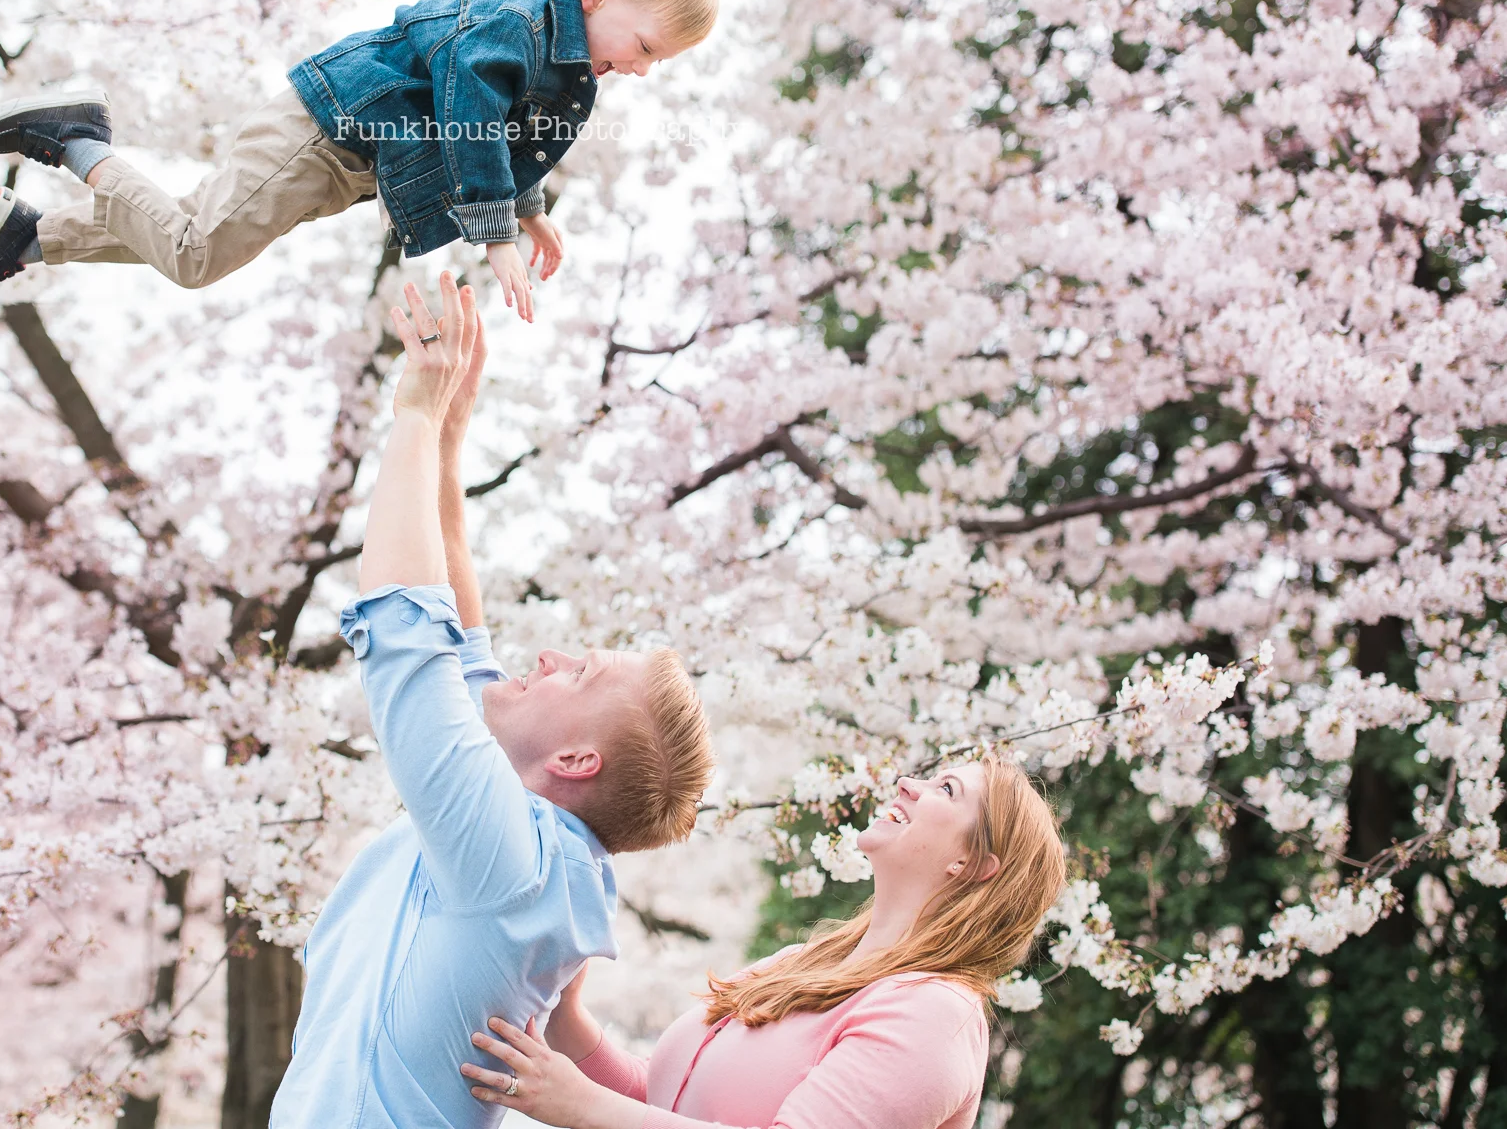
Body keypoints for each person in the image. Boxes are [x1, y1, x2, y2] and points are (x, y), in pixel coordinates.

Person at [268, 271, 716, 1129]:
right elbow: (463, 646)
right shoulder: (530, 846)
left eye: (576, 673)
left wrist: (414, 409)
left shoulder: (514, 861)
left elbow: (409, 631)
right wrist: (446, 440)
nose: (546, 654)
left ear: (576, 761)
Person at [0, 0, 718, 321]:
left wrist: (526, 206)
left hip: (343, 162)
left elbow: (518, 138)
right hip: (322, 132)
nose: (643, 69)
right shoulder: (515, 22)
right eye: (646, 45)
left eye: (658, 62)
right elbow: (473, 111)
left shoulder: (564, 64)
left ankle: (30, 238)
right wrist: (497, 232)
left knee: (189, 227)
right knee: (196, 254)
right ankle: (77, 139)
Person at [458, 756, 1067, 1129]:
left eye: (948, 791)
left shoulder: (935, 1016)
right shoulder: (800, 965)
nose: (909, 784)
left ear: (976, 863)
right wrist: (568, 1021)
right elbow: (668, 1104)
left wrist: (582, 1106)